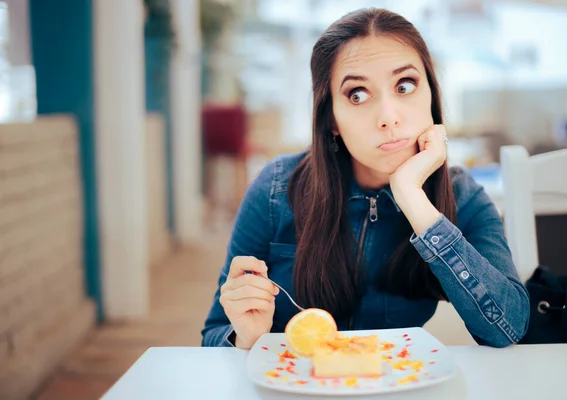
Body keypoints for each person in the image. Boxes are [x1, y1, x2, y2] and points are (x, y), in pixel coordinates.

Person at [201, 8, 530, 349]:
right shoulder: (277, 188)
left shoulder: (463, 196)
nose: (388, 117)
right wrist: (246, 336)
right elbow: (213, 336)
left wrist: (414, 200)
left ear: (431, 95)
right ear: (331, 119)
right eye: (357, 94)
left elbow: (508, 328)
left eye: (405, 85)